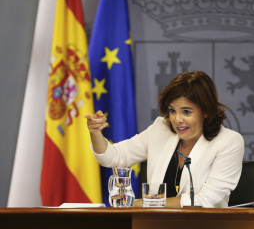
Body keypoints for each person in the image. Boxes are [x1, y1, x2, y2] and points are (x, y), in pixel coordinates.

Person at [85, 71, 244, 207]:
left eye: (186, 112)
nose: (177, 119)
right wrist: (95, 132)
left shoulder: (229, 142)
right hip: (154, 227)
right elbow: (114, 157)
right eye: (172, 111)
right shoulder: (161, 128)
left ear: (206, 111)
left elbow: (205, 200)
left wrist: (141, 203)